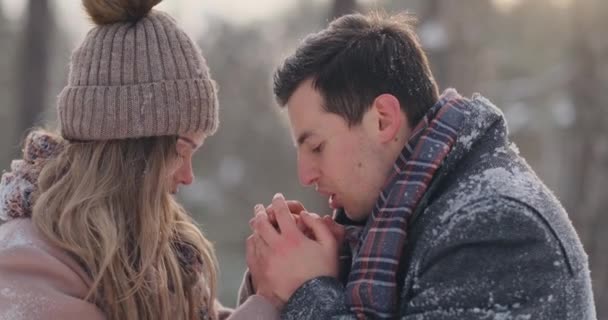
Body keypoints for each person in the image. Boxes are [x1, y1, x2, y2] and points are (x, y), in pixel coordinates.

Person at [246, 12, 597, 319]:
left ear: (383, 119)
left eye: (317, 146)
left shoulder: (496, 228)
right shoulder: (407, 224)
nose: (305, 175)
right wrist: (310, 272)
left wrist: (307, 291)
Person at [0, 0, 278, 319]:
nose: (188, 176)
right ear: (133, 149)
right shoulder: (28, 266)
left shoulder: (156, 250)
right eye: (182, 150)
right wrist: (268, 300)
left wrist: (267, 281)